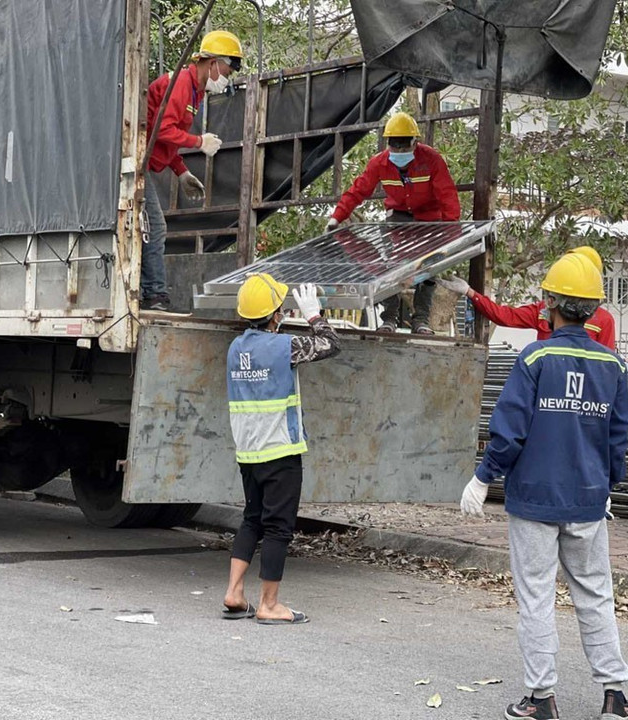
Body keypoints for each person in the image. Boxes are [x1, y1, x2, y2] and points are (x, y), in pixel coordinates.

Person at [460, 253, 628, 720]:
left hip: (534, 501)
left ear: (552, 303)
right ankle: (615, 698)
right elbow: (618, 438)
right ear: (593, 308)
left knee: (536, 597)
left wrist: (483, 476)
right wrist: (607, 486)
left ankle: (541, 700)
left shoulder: (535, 358)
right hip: (588, 501)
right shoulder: (613, 366)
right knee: (596, 596)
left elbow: (510, 430)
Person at [222, 274, 340, 625]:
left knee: (252, 519)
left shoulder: (235, 348)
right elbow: (331, 344)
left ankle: (234, 593)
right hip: (279, 450)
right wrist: (314, 315)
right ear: (275, 314)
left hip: (248, 451)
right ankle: (269, 605)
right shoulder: (284, 346)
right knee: (278, 527)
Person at [326, 112, 460, 334]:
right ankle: (388, 319)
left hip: (429, 219)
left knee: (428, 269)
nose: (398, 150)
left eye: (403, 145)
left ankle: (421, 321)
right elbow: (358, 191)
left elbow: (447, 195)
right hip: (398, 217)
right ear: (388, 143)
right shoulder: (379, 163)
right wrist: (337, 217)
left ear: (414, 142)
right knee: (388, 267)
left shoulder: (431, 160)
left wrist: (450, 232)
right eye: (394, 145)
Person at [141, 30, 243, 311]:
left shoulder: (195, 92)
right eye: (227, 71)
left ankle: (150, 291)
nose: (227, 78)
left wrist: (182, 171)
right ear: (212, 63)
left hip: (143, 161)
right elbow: (162, 129)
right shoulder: (182, 84)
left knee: (147, 227)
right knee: (154, 227)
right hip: (135, 160)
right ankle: (153, 294)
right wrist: (198, 142)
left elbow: (166, 140)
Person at [437, 246, 617, 349]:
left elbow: (606, 363)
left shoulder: (604, 321)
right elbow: (505, 316)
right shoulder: (544, 310)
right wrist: (470, 292)